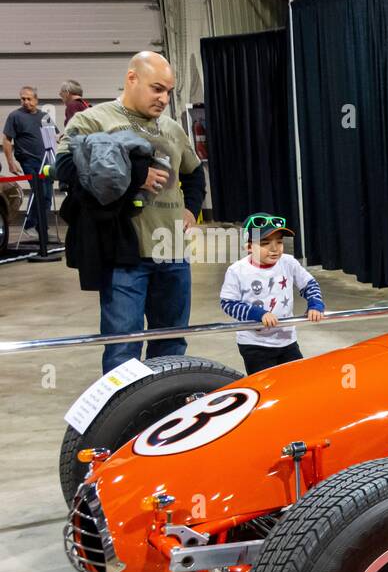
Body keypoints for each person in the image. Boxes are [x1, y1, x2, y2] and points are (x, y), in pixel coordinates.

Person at [55, 52, 206, 374]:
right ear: (132, 79)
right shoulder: (93, 120)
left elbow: (194, 173)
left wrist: (191, 209)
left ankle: (166, 410)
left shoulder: (172, 128)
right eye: (157, 89)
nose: (164, 98)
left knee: (171, 341)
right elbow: (65, 168)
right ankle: (124, 415)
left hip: (172, 251)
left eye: (168, 91)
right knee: (123, 346)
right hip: (124, 254)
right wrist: (136, 175)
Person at [220, 213, 325, 374]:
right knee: (266, 387)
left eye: (279, 242)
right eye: (265, 243)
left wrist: (315, 304)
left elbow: (309, 284)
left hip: (287, 340)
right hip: (255, 344)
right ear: (248, 246)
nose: (274, 248)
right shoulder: (237, 270)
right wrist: (258, 314)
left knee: (297, 381)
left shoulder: (288, 262)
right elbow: (228, 303)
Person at [3, 86, 55, 243]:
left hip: (45, 160)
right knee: (39, 191)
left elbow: (53, 135)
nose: (25, 102)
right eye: (23, 99)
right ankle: (29, 225)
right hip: (28, 159)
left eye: (29, 99)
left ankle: (42, 229)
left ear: (36, 100)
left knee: (46, 196)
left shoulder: (44, 116)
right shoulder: (15, 116)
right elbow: (6, 140)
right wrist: (11, 163)